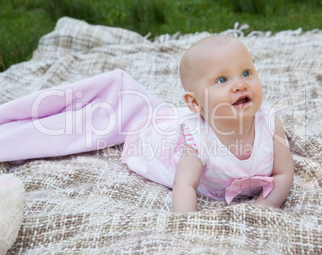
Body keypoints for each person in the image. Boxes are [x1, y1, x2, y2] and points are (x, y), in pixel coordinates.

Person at [123, 35, 294, 212]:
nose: (240, 85)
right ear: (196, 103)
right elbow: (184, 185)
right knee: (152, 137)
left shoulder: (270, 123)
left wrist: (261, 209)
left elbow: (284, 175)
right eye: (222, 80)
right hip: (175, 152)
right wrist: (186, 224)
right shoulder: (198, 138)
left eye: (246, 73)